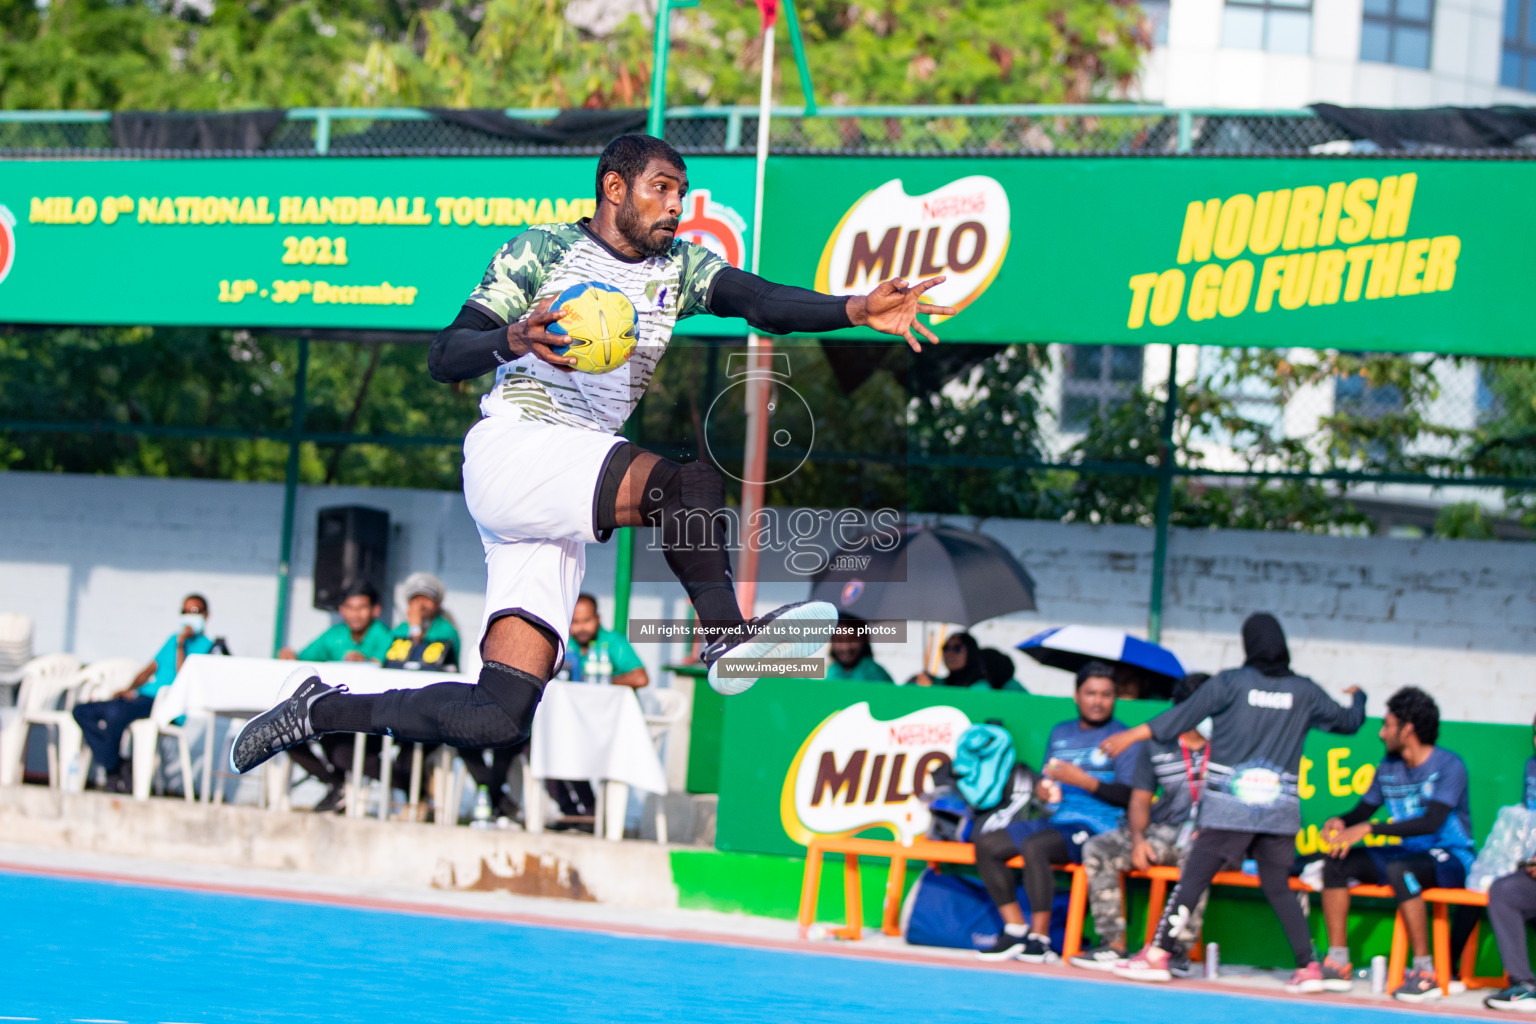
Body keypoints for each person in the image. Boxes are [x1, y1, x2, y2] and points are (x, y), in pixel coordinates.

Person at [230, 133, 954, 778]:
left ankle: (319, 712)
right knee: (685, 480)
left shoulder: (681, 267)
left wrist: (854, 308)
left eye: (682, 193)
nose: (676, 206)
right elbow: (444, 356)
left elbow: (761, 301)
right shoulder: (541, 252)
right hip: (515, 449)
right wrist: (509, 340)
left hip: (560, 491)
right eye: (661, 189)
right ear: (615, 187)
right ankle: (726, 636)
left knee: (499, 714)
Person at [1102, 612, 1367, 991]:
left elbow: (1182, 715)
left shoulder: (1230, 683)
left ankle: (1158, 953)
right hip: (1279, 813)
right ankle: (1308, 966)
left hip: (1229, 810)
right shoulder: (1303, 691)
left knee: (1192, 879)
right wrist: (1360, 697)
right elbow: (1349, 722)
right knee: (1278, 885)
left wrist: (1130, 736)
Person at [1318, 686, 1474, 1002]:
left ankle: (1424, 972)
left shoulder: (1449, 766)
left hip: (1449, 856)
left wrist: (1371, 828)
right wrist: (1342, 822)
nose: (1380, 733)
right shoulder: (1388, 766)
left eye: (1387, 725)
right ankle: (1337, 961)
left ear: (1408, 729)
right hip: (1406, 852)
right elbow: (1363, 811)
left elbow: (1430, 823)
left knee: (1401, 871)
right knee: (1335, 862)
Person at [976, 662, 1137, 963]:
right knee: (987, 844)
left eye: (1106, 694)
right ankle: (1014, 929)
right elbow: (1046, 778)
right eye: (1091, 693)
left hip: (1096, 829)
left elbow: (1130, 797)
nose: (1098, 701)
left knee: (1036, 846)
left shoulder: (1123, 738)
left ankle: (1041, 940)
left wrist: (1084, 781)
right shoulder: (1061, 732)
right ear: (1077, 695)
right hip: (1056, 820)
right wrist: (1043, 792)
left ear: (1115, 698)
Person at [1070, 672, 1211, 974]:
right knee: (1099, 848)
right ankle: (1113, 944)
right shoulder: (1159, 744)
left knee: (1199, 858)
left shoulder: (1230, 745)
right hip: (1166, 833)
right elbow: (1139, 799)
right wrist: (1138, 840)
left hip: (1213, 839)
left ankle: (1177, 952)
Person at [74, 594, 215, 793]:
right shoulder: (172, 640)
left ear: (206, 615)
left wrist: (182, 644)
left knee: (115, 716)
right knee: (82, 711)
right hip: (143, 698)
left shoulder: (208, 647)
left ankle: (113, 773)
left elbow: (184, 679)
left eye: (194, 611)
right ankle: (116, 766)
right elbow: (150, 668)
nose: (188, 617)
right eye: (184, 611)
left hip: (165, 704)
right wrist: (130, 689)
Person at [278, 582, 391, 663]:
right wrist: (291, 656)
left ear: (376, 610)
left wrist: (364, 662)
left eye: (362, 608)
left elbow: (383, 666)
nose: (355, 614)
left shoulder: (385, 635)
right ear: (341, 610)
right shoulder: (334, 635)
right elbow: (305, 657)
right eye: (350, 608)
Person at [382, 572, 460, 671]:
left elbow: (429, 663)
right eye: (416, 599)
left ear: (438, 603)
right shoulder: (400, 630)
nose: (421, 605)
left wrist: (416, 629)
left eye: (426, 599)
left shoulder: (446, 629)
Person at [567, 593, 647, 688]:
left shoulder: (614, 641)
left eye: (587, 620)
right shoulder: (565, 643)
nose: (581, 627)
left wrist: (601, 681)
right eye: (575, 621)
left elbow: (640, 679)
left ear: (598, 618)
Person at [824, 618, 893, 682]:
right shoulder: (832, 670)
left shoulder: (875, 673)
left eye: (852, 639)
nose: (845, 647)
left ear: (864, 639)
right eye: (839, 640)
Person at [912, 632, 984, 688]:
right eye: (946, 648)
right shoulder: (937, 683)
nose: (949, 653)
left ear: (971, 653)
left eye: (957, 648)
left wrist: (931, 692)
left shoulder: (980, 687)